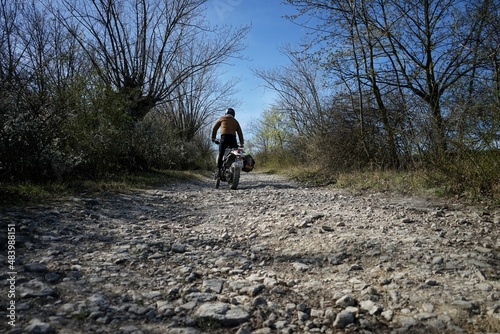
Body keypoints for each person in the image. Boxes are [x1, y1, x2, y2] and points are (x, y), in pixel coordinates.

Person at [211, 108, 244, 178]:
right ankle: (233, 169)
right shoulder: (235, 121)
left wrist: (213, 138)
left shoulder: (222, 118)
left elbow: (214, 128)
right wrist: (241, 143)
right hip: (233, 139)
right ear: (233, 114)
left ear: (226, 113)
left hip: (224, 138)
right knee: (234, 154)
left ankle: (219, 171)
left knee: (221, 154)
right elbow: (240, 133)